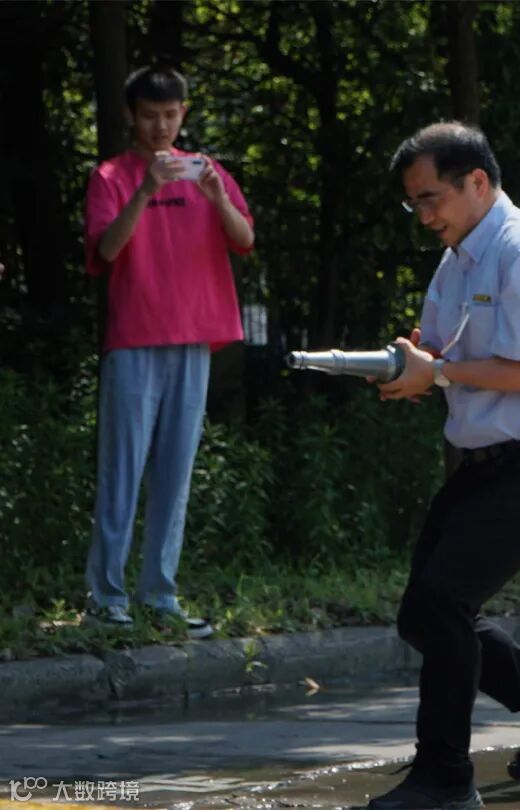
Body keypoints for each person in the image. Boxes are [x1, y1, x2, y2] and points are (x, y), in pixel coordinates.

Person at [368, 122, 520, 810]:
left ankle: (444, 779)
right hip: (484, 465)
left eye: (431, 198)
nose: (424, 215)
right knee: (423, 614)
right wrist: (409, 366)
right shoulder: (457, 261)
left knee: (444, 603)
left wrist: (438, 372)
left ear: (477, 181)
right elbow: (445, 357)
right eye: (413, 202)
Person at [82, 65, 255, 639]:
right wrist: (146, 190)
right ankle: (106, 597)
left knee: (175, 474)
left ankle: (159, 594)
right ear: (130, 115)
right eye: (150, 115)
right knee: (122, 470)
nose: (161, 125)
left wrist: (216, 196)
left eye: (170, 114)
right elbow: (107, 248)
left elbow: (245, 239)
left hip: (194, 336)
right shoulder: (111, 176)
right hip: (134, 336)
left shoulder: (207, 171)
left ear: (183, 113)